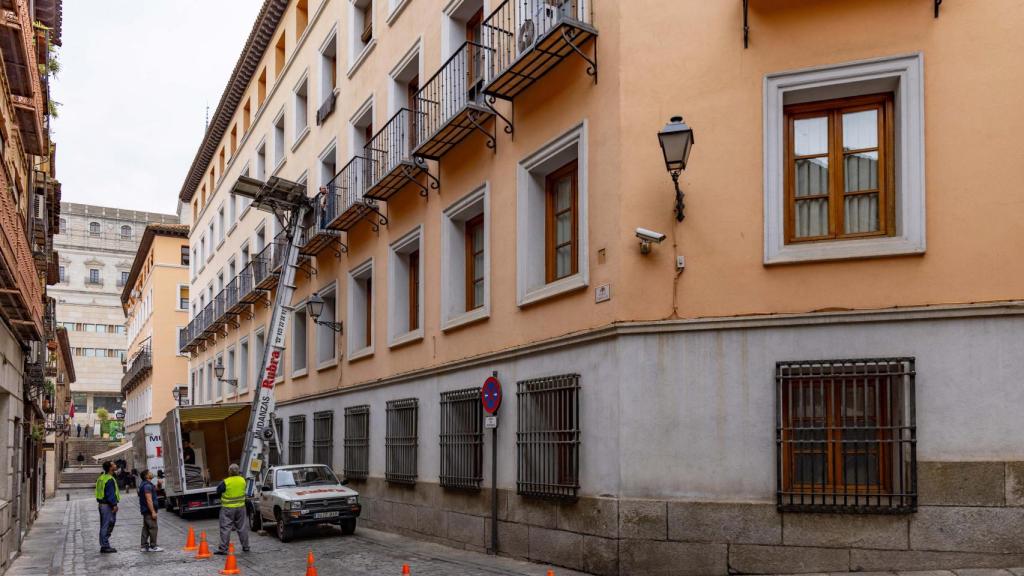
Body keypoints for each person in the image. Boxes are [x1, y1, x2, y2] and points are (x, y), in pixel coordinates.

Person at [215, 464, 249, 555]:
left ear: (229, 471)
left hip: (227, 508)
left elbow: (218, 491)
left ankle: (223, 549)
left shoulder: (225, 482)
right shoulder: (243, 480)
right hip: (241, 507)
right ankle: (246, 546)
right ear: (238, 471)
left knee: (225, 528)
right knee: (242, 527)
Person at [95, 461, 120, 553]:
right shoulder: (109, 479)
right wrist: (114, 505)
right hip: (107, 505)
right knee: (107, 525)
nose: (115, 465)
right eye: (113, 464)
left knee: (106, 525)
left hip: (102, 504)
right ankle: (105, 545)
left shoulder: (101, 478)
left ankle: (104, 544)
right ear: (110, 468)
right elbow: (110, 494)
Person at [137, 469, 163, 552]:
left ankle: (144, 546)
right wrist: (153, 511)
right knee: (153, 527)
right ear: (146, 476)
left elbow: (157, 489)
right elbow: (149, 499)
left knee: (146, 528)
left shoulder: (147, 484)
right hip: (148, 510)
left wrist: (159, 484)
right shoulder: (147, 486)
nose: (152, 473)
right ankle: (153, 546)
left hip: (145, 510)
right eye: (150, 473)